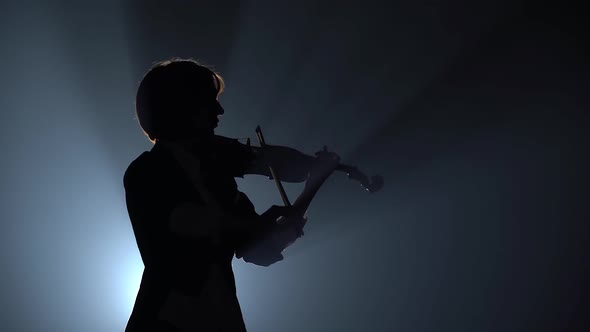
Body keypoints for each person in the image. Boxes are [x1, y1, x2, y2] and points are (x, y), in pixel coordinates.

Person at [123, 58, 340, 331]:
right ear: (180, 104)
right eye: (207, 100)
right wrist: (253, 224)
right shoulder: (146, 170)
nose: (219, 110)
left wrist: (312, 186)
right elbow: (186, 221)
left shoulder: (221, 184)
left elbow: (263, 251)